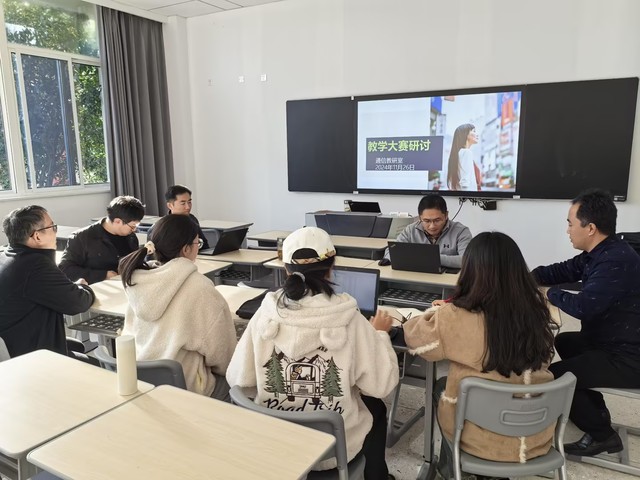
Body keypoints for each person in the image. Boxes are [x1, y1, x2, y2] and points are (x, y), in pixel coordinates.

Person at [226, 227, 399, 480]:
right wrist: (380, 335)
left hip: (273, 442)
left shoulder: (265, 314)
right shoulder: (350, 318)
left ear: (286, 269)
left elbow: (238, 379)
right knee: (376, 408)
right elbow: (381, 385)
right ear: (331, 268)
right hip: (332, 451)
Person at [402, 231, 557, 478]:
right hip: (534, 435)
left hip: (479, 438)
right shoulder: (537, 310)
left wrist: (438, 313)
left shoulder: (455, 316)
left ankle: (451, 470)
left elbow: (416, 340)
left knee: (441, 387)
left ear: (470, 271)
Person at [532, 188, 640, 457]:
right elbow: (562, 270)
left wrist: (549, 293)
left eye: (570, 224)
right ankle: (596, 412)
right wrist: (528, 277)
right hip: (610, 340)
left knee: (555, 376)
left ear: (590, 228)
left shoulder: (615, 260)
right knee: (565, 340)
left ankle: (603, 436)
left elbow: (584, 307)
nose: (568, 230)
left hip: (628, 356)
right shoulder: (600, 252)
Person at [119, 214, 236, 400]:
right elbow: (224, 358)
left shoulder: (137, 280)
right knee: (238, 383)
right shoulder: (200, 288)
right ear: (186, 249)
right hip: (186, 390)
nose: (198, 248)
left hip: (140, 383)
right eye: (198, 243)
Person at [0, 205, 95, 358]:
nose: (56, 232)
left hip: (15, 342)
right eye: (53, 227)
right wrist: (84, 287)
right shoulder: (35, 265)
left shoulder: (6, 254)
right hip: (30, 357)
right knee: (95, 365)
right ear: (37, 236)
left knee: (77, 346)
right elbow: (78, 303)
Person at [59, 195, 145, 284]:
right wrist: (103, 275)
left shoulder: (131, 237)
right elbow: (65, 270)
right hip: (96, 289)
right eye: (133, 225)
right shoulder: (82, 238)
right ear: (117, 221)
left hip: (126, 286)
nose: (134, 229)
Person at [380, 194, 472, 269]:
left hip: (447, 281)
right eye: (427, 221)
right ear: (420, 218)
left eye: (437, 220)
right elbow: (392, 251)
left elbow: (467, 260)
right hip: (417, 278)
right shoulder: (411, 230)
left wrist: (431, 258)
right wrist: (389, 259)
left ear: (446, 215)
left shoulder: (461, 231)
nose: (432, 226)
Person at [147, 185, 209, 250]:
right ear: (170, 205)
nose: (188, 207)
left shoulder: (192, 219)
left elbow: (204, 244)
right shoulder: (161, 227)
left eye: (189, 202)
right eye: (183, 203)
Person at [447, 123, 479, 191]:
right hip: (468, 195)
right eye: (474, 131)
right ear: (466, 134)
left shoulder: (458, 154)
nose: (477, 134)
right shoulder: (467, 152)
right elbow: (465, 182)